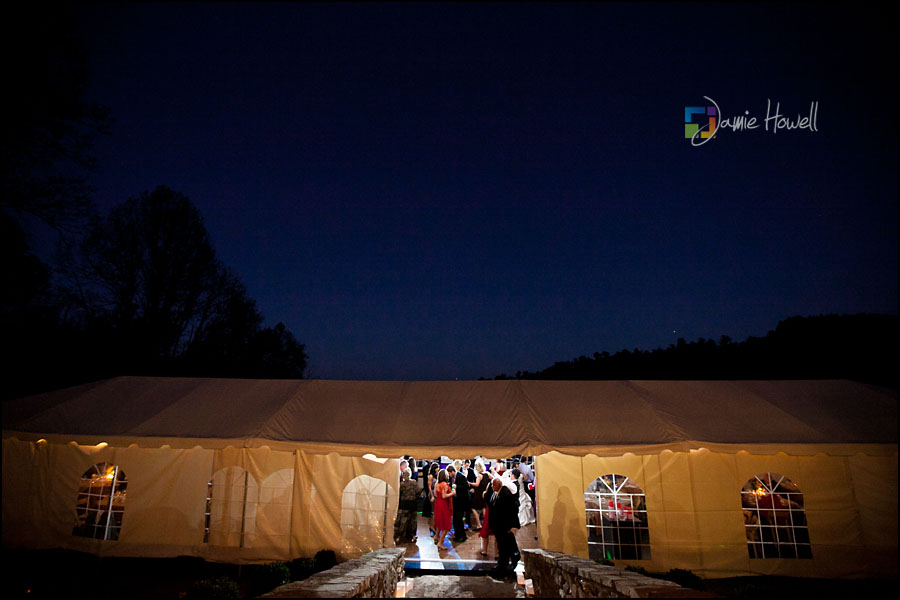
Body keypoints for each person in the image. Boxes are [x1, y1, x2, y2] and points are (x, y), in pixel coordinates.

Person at [487, 471, 520, 579]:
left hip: (504, 526)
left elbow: (512, 510)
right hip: (498, 525)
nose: (492, 486)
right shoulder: (495, 493)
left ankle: (508, 565)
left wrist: (511, 526)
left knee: (506, 546)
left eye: (493, 485)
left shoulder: (505, 494)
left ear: (499, 485)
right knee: (501, 546)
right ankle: (502, 565)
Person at [393, 468, 418, 544]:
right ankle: (413, 535)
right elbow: (418, 492)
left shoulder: (401, 484)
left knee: (402, 521)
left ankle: (398, 537)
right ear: (410, 474)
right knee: (413, 521)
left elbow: (398, 494)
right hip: (413, 504)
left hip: (404, 505)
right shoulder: (414, 483)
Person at [433, 468, 455, 549]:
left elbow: (435, 494)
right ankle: (440, 542)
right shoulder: (444, 484)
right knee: (446, 525)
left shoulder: (436, 484)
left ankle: (436, 536)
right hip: (443, 505)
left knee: (439, 522)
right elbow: (444, 496)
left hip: (438, 503)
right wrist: (452, 492)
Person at [448, 462, 470, 542]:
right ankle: (457, 535)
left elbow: (467, 486)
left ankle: (462, 535)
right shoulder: (452, 478)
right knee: (455, 519)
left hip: (461, 500)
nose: (449, 476)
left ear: (453, 471)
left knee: (459, 519)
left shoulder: (461, 476)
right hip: (455, 500)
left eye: (450, 474)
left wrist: (457, 487)